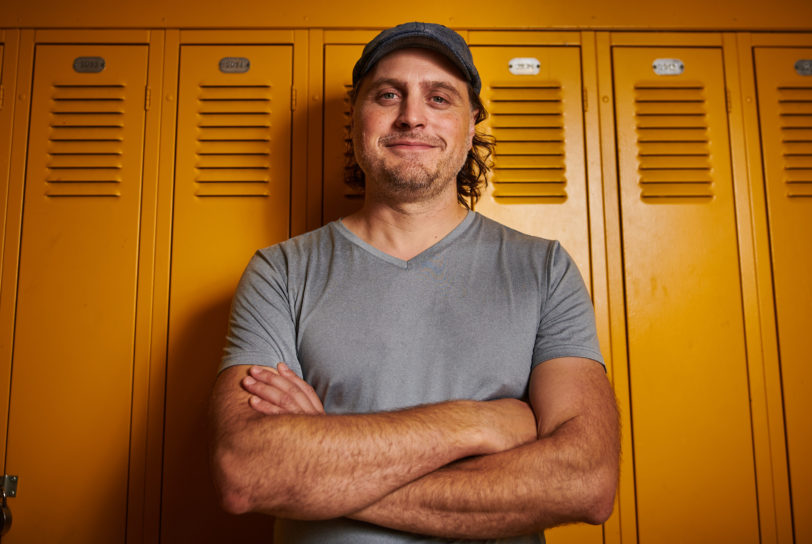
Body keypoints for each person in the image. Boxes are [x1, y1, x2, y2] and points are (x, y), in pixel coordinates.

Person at [209, 21, 619, 543]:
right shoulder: (281, 272)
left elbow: (586, 481)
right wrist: (479, 423)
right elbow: (247, 473)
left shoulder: (545, 270)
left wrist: (323, 472)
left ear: (470, 127)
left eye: (439, 98)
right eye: (387, 95)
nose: (411, 116)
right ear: (356, 120)